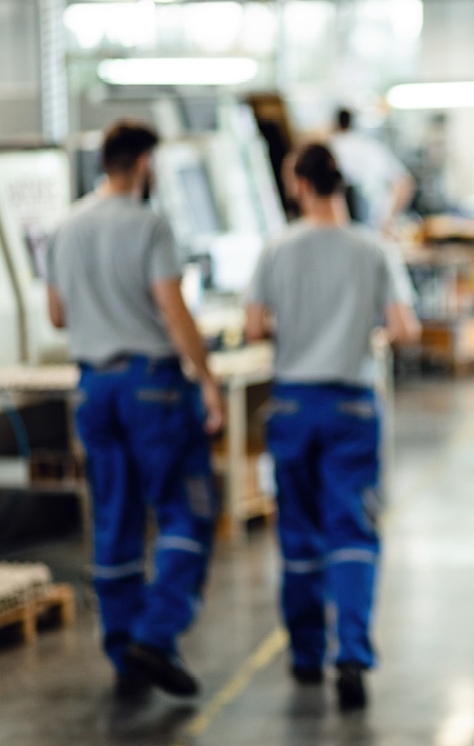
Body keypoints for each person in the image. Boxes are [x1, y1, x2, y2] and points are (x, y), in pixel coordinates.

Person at [46, 120, 226, 698]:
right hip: (152, 386)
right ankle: (157, 632)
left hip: (93, 385)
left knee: (116, 514)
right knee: (188, 509)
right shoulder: (150, 225)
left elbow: (56, 315)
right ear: (145, 165)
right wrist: (207, 378)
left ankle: (125, 651)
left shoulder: (65, 227)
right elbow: (173, 311)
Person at [244, 143, 420, 709]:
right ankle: (351, 654)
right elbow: (403, 329)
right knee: (353, 531)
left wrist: (297, 327)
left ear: (299, 185)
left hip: (293, 404)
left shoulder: (276, 248)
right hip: (353, 405)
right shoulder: (371, 249)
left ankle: (304, 655)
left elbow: (252, 328)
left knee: (297, 533)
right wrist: (356, 333)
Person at [329, 107, 415, 232]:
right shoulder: (372, 148)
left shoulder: (329, 149)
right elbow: (405, 183)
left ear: (336, 123)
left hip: (340, 231)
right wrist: (388, 218)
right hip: (374, 230)